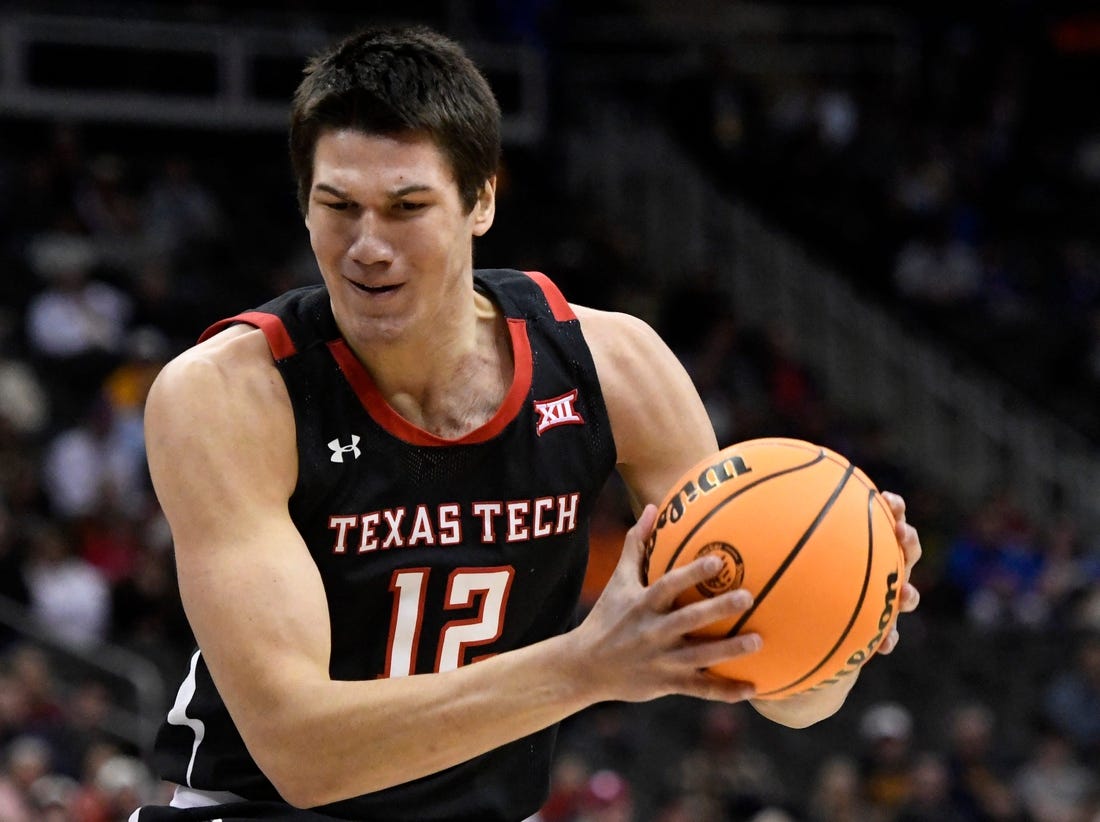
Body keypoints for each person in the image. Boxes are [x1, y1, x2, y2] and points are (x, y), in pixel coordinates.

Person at [130, 24, 923, 822]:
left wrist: (843, 614)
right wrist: (585, 667)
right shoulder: (228, 395)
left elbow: (777, 691)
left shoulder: (616, 366)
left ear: (481, 201)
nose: (367, 246)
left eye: (407, 207)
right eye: (339, 206)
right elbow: (301, 754)